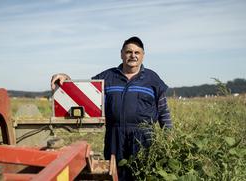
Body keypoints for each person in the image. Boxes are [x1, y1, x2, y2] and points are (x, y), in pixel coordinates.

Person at [51, 36, 172, 180]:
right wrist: (66, 79)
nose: (133, 55)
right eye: (128, 52)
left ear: (143, 55)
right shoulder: (107, 77)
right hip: (115, 136)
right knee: (114, 175)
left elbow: (163, 111)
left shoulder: (152, 79)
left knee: (144, 174)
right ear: (121, 54)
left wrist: (168, 138)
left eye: (137, 52)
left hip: (144, 137)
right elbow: (83, 93)